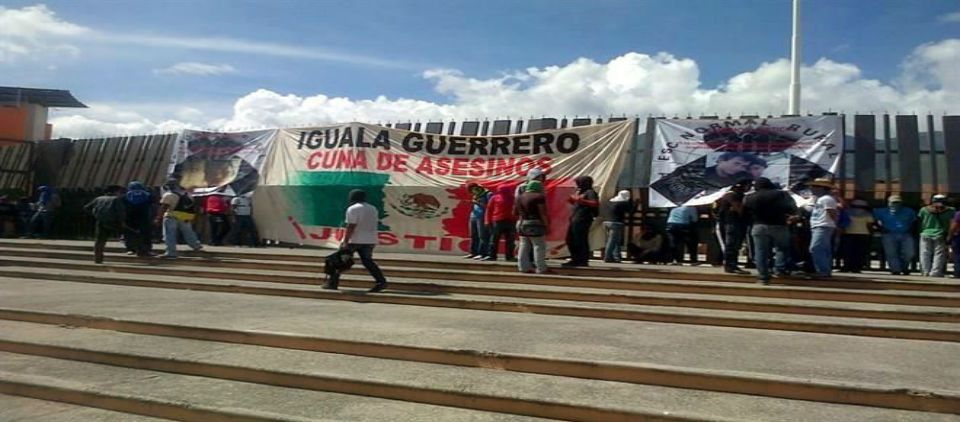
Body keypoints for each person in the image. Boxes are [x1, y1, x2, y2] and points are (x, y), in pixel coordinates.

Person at [322, 189, 388, 292]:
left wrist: (345, 241)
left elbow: (351, 226)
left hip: (355, 240)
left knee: (338, 260)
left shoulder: (353, 209)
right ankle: (381, 281)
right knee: (368, 262)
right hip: (370, 239)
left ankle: (332, 283)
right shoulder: (373, 208)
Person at [743, 177, 798, 284]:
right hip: (779, 225)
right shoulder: (781, 194)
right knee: (782, 248)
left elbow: (745, 212)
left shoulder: (749, 197)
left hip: (759, 226)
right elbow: (792, 208)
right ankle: (779, 269)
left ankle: (763, 277)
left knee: (760, 252)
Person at [156, 178, 204, 259]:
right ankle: (196, 246)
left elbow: (164, 207)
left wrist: (158, 217)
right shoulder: (187, 195)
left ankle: (171, 253)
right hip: (184, 217)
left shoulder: (169, 195)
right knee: (189, 232)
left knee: (169, 235)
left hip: (171, 216)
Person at [715, 179, 752, 274]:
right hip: (730, 224)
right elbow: (739, 209)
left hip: (736, 224)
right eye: (748, 185)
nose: (750, 187)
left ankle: (733, 265)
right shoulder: (731, 195)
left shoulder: (739, 196)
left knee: (736, 246)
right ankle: (730, 265)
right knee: (731, 245)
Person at [874, 195, 917, 275]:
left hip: (905, 234)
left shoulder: (909, 211)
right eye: (893, 202)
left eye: (898, 202)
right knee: (891, 253)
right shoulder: (880, 211)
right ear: (888, 203)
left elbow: (914, 222)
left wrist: (911, 230)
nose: (896, 204)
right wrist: (880, 228)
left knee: (909, 253)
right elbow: (873, 220)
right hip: (888, 234)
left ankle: (904, 267)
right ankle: (895, 270)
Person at [84, 185, 127, 264]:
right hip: (114, 222)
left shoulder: (98, 198)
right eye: (119, 192)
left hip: (100, 221)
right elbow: (121, 212)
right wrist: (122, 221)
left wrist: (95, 214)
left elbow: (86, 208)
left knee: (100, 240)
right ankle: (134, 249)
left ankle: (98, 258)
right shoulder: (116, 199)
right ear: (115, 192)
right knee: (126, 235)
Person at [563, 176, 599, 268]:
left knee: (580, 240)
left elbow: (595, 203)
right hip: (575, 218)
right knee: (570, 240)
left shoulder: (590, 192)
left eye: (579, 183)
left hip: (583, 219)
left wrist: (579, 200)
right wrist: (572, 200)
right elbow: (577, 203)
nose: (577, 185)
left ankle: (582, 260)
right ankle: (575, 259)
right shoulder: (580, 192)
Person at [805, 178, 839, 279]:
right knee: (824, 250)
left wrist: (834, 223)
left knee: (815, 248)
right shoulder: (821, 199)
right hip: (821, 226)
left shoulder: (826, 199)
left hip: (823, 225)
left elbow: (832, 213)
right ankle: (825, 271)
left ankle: (822, 271)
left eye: (815, 186)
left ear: (823, 188)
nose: (812, 188)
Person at [515, 180, 550, 274]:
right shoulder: (539, 197)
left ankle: (523, 267)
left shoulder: (520, 197)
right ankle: (541, 268)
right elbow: (542, 213)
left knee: (523, 245)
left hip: (523, 222)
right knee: (538, 245)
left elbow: (516, 212)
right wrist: (547, 225)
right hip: (535, 223)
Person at [918, 194, 955, 277]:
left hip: (925, 233)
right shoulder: (951, 210)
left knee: (924, 253)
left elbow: (920, 221)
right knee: (939, 254)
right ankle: (935, 272)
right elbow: (952, 223)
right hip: (940, 234)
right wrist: (949, 235)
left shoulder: (924, 209)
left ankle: (925, 271)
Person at [840, 199, 875, 273]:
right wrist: (871, 233)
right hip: (863, 234)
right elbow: (870, 225)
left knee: (848, 252)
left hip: (849, 234)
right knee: (859, 252)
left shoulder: (847, 212)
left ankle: (847, 267)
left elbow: (843, 223)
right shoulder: (867, 214)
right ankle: (856, 268)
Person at [483, 184, 516, 262]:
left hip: (510, 221)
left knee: (510, 240)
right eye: (501, 190)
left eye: (505, 190)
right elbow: (489, 209)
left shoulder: (512, 198)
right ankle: (492, 255)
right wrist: (487, 221)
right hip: (497, 221)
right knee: (494, 239)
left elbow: (516, 209)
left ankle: (509, 256)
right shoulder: (494, 198)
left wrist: (516, 218)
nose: (503, 192)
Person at [124, 181, 154, 257]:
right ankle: (147, 249)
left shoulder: (126, 196)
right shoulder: (148, 195)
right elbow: (152, 204)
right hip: (144, 217)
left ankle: (130, 249)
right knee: (145, 234)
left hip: (130, 218)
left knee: (130, 233)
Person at [603, 190, 633, 263]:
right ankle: (608, 256)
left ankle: (616, 257)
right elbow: (631, 211)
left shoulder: (611, 201)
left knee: (615, 240)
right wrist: (635, 204)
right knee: (613, 241)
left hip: (606, 222)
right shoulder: (623, 203)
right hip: (616, 222)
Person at [464, 183, 491, 260]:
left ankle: (482, 253)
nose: (472, 192)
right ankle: (473, 252)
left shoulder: (488, 194)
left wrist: (477, 202)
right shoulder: (476, 194)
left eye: (472, 189)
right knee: (473, 235)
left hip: (482, 216)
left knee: (482, 236)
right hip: (474, 216)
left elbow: (489, 206)